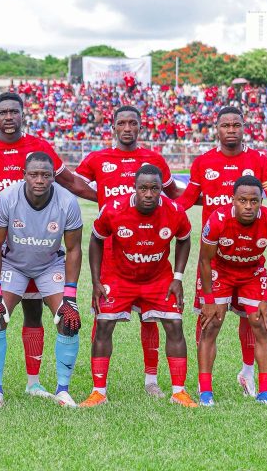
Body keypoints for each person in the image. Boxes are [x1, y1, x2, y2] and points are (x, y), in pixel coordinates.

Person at [0, 91, 96, 398]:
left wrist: (106, 199)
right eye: (3, 112)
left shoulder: (40, 149)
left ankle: (35, 383)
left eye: (14, 112)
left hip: (42, 251)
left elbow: (70, 182)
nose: (9, 117)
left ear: (22, 114)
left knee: (35, 313)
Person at [75, 105, 182, 398]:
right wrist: (101, 197)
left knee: (151, 317)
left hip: (149, 251)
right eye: (121, 123)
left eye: (132, 123)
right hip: (111, 253)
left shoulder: (154, 159)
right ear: (112, 127)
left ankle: (151, 380)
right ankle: (98, 388)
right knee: (104, 317)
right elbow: (75, 184)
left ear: (140, 127)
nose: (127, 128)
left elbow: (174, 195)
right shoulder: (98, 158)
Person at [177, 106, 267, 397]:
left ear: (244, 127)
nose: (231, 130)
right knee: (209, 317)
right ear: (217, 129)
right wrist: (163, 212)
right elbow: (188, 198)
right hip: (216, 256)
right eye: (226, 125)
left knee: (251, 317)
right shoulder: (203, 162)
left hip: (249, 254)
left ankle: (248, 373)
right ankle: (204, 383)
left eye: (236, 125)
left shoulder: (259, 161)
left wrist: (262, 224)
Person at [80, 165, 196, 407]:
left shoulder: (174, 211)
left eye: (155, 188)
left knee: (175, 325)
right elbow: (96, 239)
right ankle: (98, 392)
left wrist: (177, 277)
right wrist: (96, 280)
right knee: (103, 325)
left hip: (158, 278)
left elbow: (184, 239)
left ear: (162, 188)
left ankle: (179, 392)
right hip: (119, 277)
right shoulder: (114, 209)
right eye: (143, 188)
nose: (149, 194)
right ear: (134, 188)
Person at [0, 152, 83, 408]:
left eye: (46, 175)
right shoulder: (6, 198)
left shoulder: (67, 201)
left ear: (53, 177)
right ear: (24, 175)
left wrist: (70, 297)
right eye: (34, 174)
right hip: (13, 264)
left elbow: (74, 249)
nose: (40, 180)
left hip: (50, 265)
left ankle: (63, 390)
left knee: (68, 320)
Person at [197, 176, 267, 407]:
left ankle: (265, 392)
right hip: (221, 271)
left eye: (254, 201)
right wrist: (208, 300)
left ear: (261, 201)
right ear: (232, 199)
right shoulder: (218, 219)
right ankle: (205, 391)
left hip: (252, 273)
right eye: (242, 200)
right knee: (211, 325)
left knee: (262, 325)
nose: (248, 206)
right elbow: (205, 260)